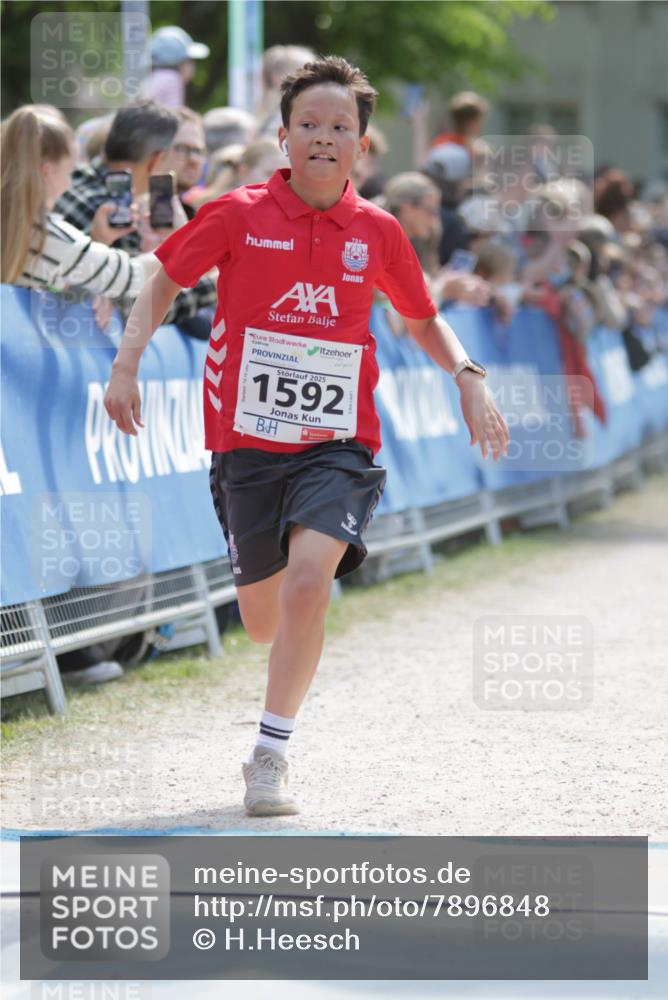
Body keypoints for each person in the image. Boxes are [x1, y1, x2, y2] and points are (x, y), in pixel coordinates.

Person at [104, 55, 509, 817]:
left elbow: (422, 317)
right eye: (310, 125)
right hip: (248, 445)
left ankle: (269, 755)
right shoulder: (238, 213)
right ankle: (272, 661)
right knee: (263, 621)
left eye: (340, 127)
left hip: (339, 443)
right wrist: (126, 364)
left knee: (308, 581)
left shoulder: (378, 230)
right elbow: (163, 280)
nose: (325, 137)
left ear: (361, 144)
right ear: (284, 137)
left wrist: (467, 374)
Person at [54, 100, 217, 329]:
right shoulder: (115, 213)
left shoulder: (74, 184)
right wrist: (217, 282)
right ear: (156, 159)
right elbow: (139, 308)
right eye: (179, 149)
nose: (189, 160)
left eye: (197, 151)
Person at [0, 105, 159, 296]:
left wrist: (99, 239)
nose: (70, 183)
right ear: (46, 171)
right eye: (70, 172)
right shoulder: (51, 238)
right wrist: (180, 239)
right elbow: (133, 278)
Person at [141, 26, 210, 108]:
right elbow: (174, 113)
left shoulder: (153, 76)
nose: (193, 66)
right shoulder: (172, 79)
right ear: (177, 62)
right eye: (189, 60)